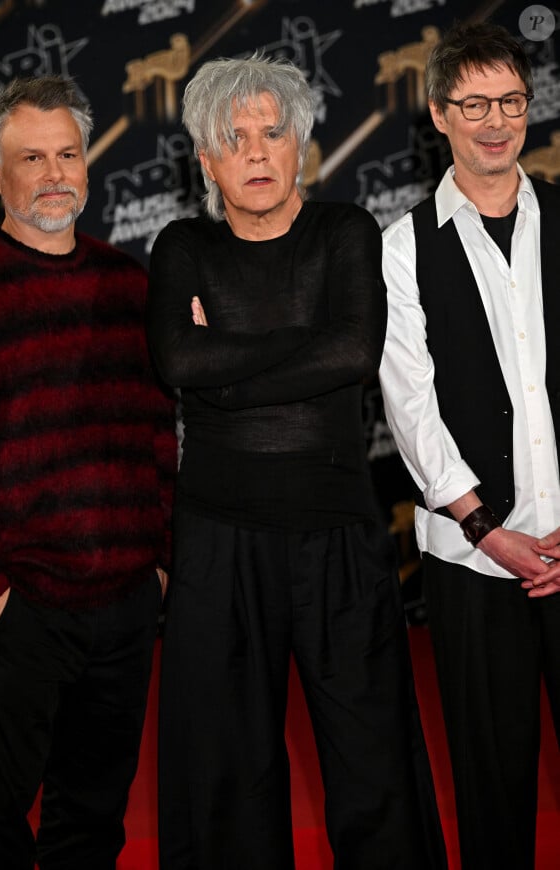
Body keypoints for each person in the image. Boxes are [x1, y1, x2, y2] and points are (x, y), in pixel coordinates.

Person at [146, 54, 447, 870]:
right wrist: (290, 346)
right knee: (223, 768)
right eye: (232, 138)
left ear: (301, 148)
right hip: (215, 542)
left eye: (271, 133)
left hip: (339, 537)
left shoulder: (346, 232)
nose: (254, 151)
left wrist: (230, 376)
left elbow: (351, 352)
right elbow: (178, 360)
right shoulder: (181, 246)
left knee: (372, 755)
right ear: (205, 160)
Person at [0, 75, 176, 870]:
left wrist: (160, 560)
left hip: (126, 604)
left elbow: (162, 433)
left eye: (68, 153)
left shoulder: (131, 283)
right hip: (17, 605)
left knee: (93, 819)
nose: (55, 173)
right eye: (33, 157)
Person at [379, 21, 560, 870]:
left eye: (512, 101)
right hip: (474, 560)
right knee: (493, 793)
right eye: (475, 103)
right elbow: (410, 409)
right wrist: (489, 528)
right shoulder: (403, 246)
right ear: (439, 112)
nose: (497, 121)